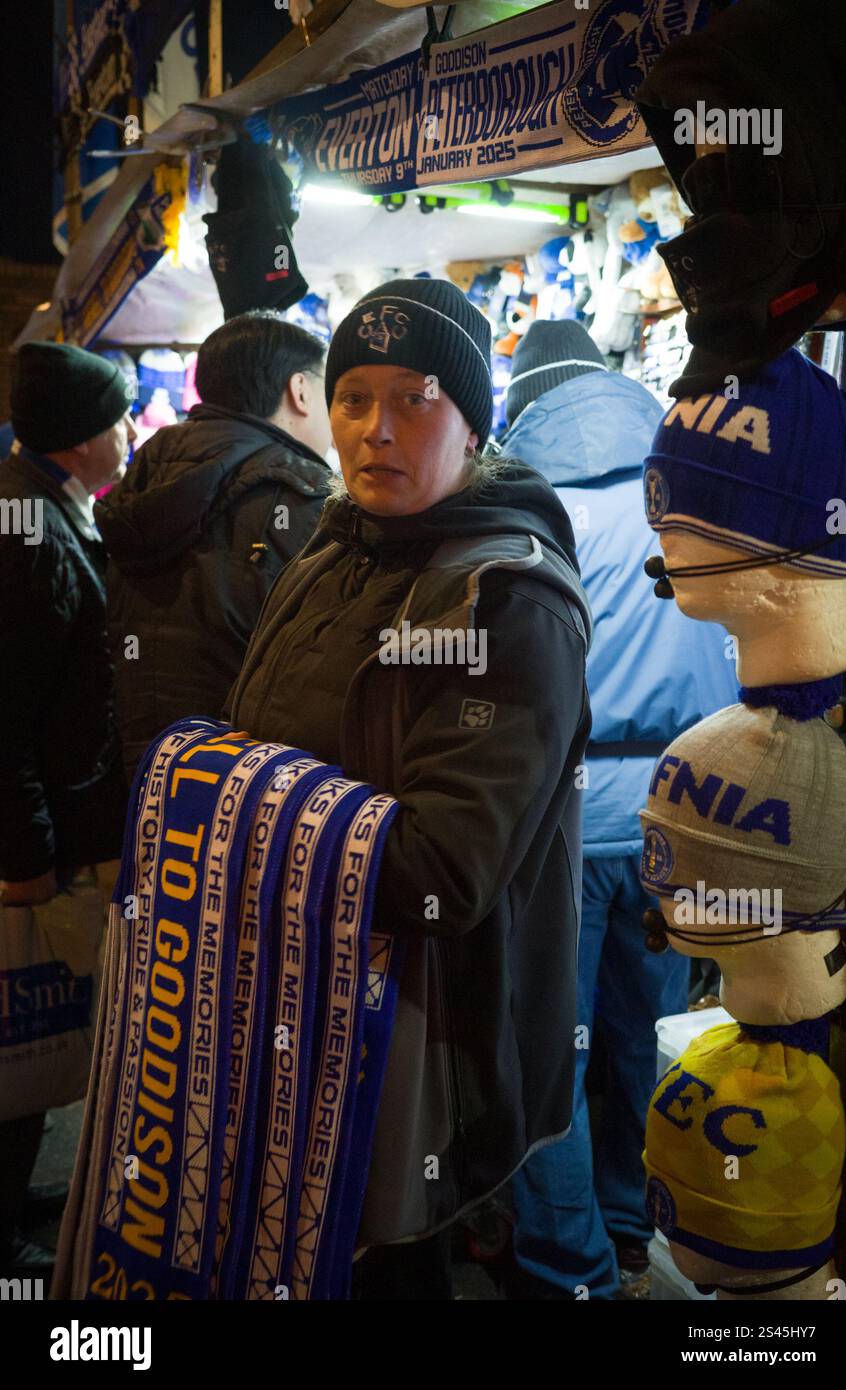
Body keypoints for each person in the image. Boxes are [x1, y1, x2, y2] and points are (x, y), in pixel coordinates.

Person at [227, 278, 592, 1299]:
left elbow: (445, 869)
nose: (372, 431)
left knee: (387, 1270)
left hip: (415, 1053)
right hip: (296, 1009)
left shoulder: (503, 596)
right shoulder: (329, 551)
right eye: (351, 397)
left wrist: (237, 810)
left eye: (414, 398)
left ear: (474, 422)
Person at [501, 318, 739, 1299]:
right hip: (683, 810)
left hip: (558, 815)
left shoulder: (522, 504)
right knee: (639, 1037)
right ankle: (630, 1227)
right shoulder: (686, 492)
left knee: (547, 1055)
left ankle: (568, 1270)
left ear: (526, 400)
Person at [0, 340, 136, 1276]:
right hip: (32, 840)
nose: (129, 434)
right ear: (80, 439)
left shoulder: (45, 511)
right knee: (20, 1021)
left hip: (48, 824)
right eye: (117, 418)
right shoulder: (31, 536)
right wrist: (28, 857)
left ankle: (11, 1187)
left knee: (33, 1029)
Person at [97, 311, 334, 781]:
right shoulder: (301, 497)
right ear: (301, 391)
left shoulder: (146, 476)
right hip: (249, 783)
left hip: (142, 766)